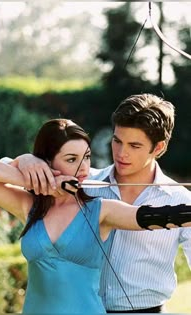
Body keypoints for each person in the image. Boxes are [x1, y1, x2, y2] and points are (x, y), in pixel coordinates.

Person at [10, 94, 191, 313]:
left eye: (134, 145)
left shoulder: (181, 200)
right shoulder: (81, 184)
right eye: (117, 141)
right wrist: (27, 161)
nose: (121, 153)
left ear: (159, 148)